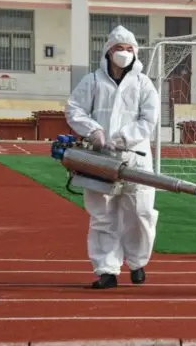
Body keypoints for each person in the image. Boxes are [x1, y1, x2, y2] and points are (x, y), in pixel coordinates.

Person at [65, 25, 160, 289]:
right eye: (119, 48)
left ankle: (138, 262)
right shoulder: (92, 81)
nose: (124, 53)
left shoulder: (143, 84)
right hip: (99, 158)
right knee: (103, 215)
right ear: (108, 52)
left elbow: (149, 119)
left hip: (136, 158)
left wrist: (123, 137)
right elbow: (74, 109)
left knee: (140, 212)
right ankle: (106, 270)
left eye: (130, 49)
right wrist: (93, 130)